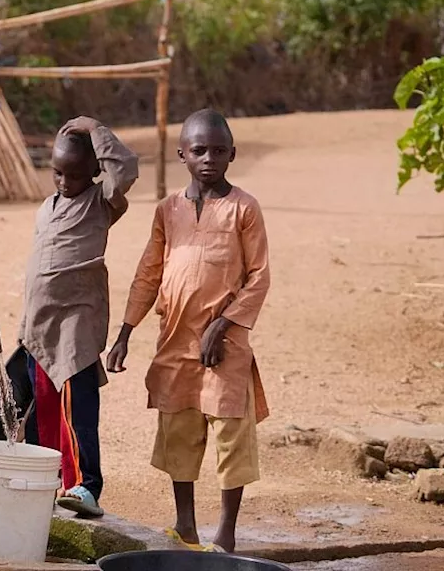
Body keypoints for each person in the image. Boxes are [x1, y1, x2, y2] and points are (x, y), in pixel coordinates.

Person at [106, 108, 271, 554]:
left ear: (232, 154)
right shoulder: (167, 210)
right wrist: (124, 332)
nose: (209, 159)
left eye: (219, 151)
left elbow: (259, 276)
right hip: (175, 339)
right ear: (182, 154)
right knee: (179, 428)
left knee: (231, 433)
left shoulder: (244, 208)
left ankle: (227, 533)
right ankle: (186, 525)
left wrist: (226, 322)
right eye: (199, 150)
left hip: (226, 344)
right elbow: (148, 272)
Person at [0, 116, 138, 519]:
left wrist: (96, 129)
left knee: (76, 409)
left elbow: (126, 169)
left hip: (74, 328)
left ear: (95, 172)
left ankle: (86, 485)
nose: (64, 182)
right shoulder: (48, 206)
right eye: (58, 173)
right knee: (42, 409)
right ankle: (49, 480)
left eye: (75, 175)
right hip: (39, 328)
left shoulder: (102, 203)